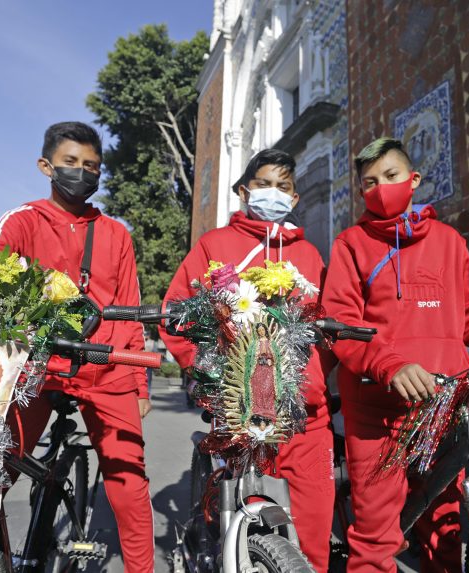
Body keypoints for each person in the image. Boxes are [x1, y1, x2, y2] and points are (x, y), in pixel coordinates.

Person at [0, 122, 154, 569]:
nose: (82, 172)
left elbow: (130, 307)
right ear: (46, 166)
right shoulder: (24, 220)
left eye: (92, 166)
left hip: (107, 368)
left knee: (128, 484)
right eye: (70, 163)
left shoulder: (117, 234)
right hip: (35, 368)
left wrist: (140, 387)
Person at [320, 137, 469, 573]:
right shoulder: (350, 244)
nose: (380, 188)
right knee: (376, 539)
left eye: (390, 176)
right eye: (369, 183)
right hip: (379, 410)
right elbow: (340, 327)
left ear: (413, 180)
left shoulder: (451, 242)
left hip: (448, 405)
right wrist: (389, 364)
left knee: (449, 530)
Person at [160, 149, 336, 572]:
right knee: (230, 517)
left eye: (284, 187)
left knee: (313, 526)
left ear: (294, 200)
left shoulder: (311, 256)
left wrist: (320, 382)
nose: (273, 194)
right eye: (263, 184)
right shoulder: (215, 245)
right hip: (238, 407)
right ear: (243, 190)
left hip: (305, 411)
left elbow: (327, 329)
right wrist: (203, 369)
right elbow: (175, 312)